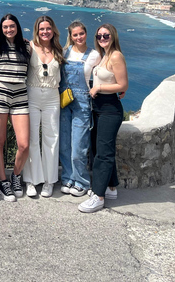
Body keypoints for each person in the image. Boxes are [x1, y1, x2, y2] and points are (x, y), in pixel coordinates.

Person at [79, 23, 129, 213]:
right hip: (99, 108)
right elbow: (114, 81)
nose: (102, 38)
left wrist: (99, 88)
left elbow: (123, 84)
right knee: (98, 146)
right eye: (99, 36)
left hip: (109, 109)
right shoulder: (104, 56)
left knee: (103, 153)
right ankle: (111, 186)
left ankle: (98, 196)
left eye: (106, 35)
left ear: (113, 36)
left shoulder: (115, 55)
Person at [0, 14, 31, 201]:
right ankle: (3, 181)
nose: (8, 30)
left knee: (24, 144)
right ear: (1, 28)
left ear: (17, 27)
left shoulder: (27, 47)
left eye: (11, 26)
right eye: (5, 27)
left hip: (21, 96)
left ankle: (16, 175)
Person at [58, 21, 101, 197]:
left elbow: (101, 74)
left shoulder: (95, 55)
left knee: (79, 146)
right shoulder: (63, 52)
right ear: (71, 36)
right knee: (64, 145)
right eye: (75, 35)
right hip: (64, 101)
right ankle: (67, 178)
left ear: (86, 33)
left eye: (81, 34)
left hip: (82, 103)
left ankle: (82, 181)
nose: (79, 37)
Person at [24, 15, 65, 198]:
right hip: (32, 95)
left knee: (51, 138)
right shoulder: (30, 47)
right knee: (32, 138)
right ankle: (31, 181)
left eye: (48, 28)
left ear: (53, 30)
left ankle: (49, 181)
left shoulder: (59, 50)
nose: (45, 32)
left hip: (52, 97)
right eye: (42, 29)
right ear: (37, 31)